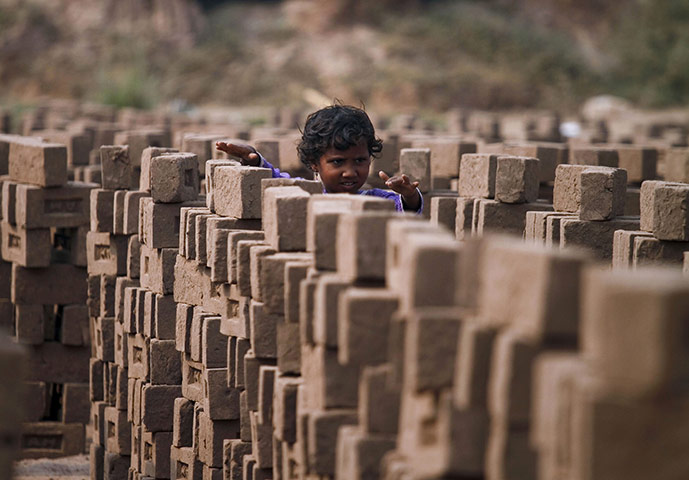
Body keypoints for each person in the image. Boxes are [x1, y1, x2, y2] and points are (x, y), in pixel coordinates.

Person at [216, 104, 423, 213]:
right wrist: (253, 160)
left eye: (360, 161)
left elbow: (407, 208)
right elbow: (276, 179)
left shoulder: (377, 200)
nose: (350, 172)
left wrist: (409, 196)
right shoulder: (305, 194)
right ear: (314, 163)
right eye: (338, 162)